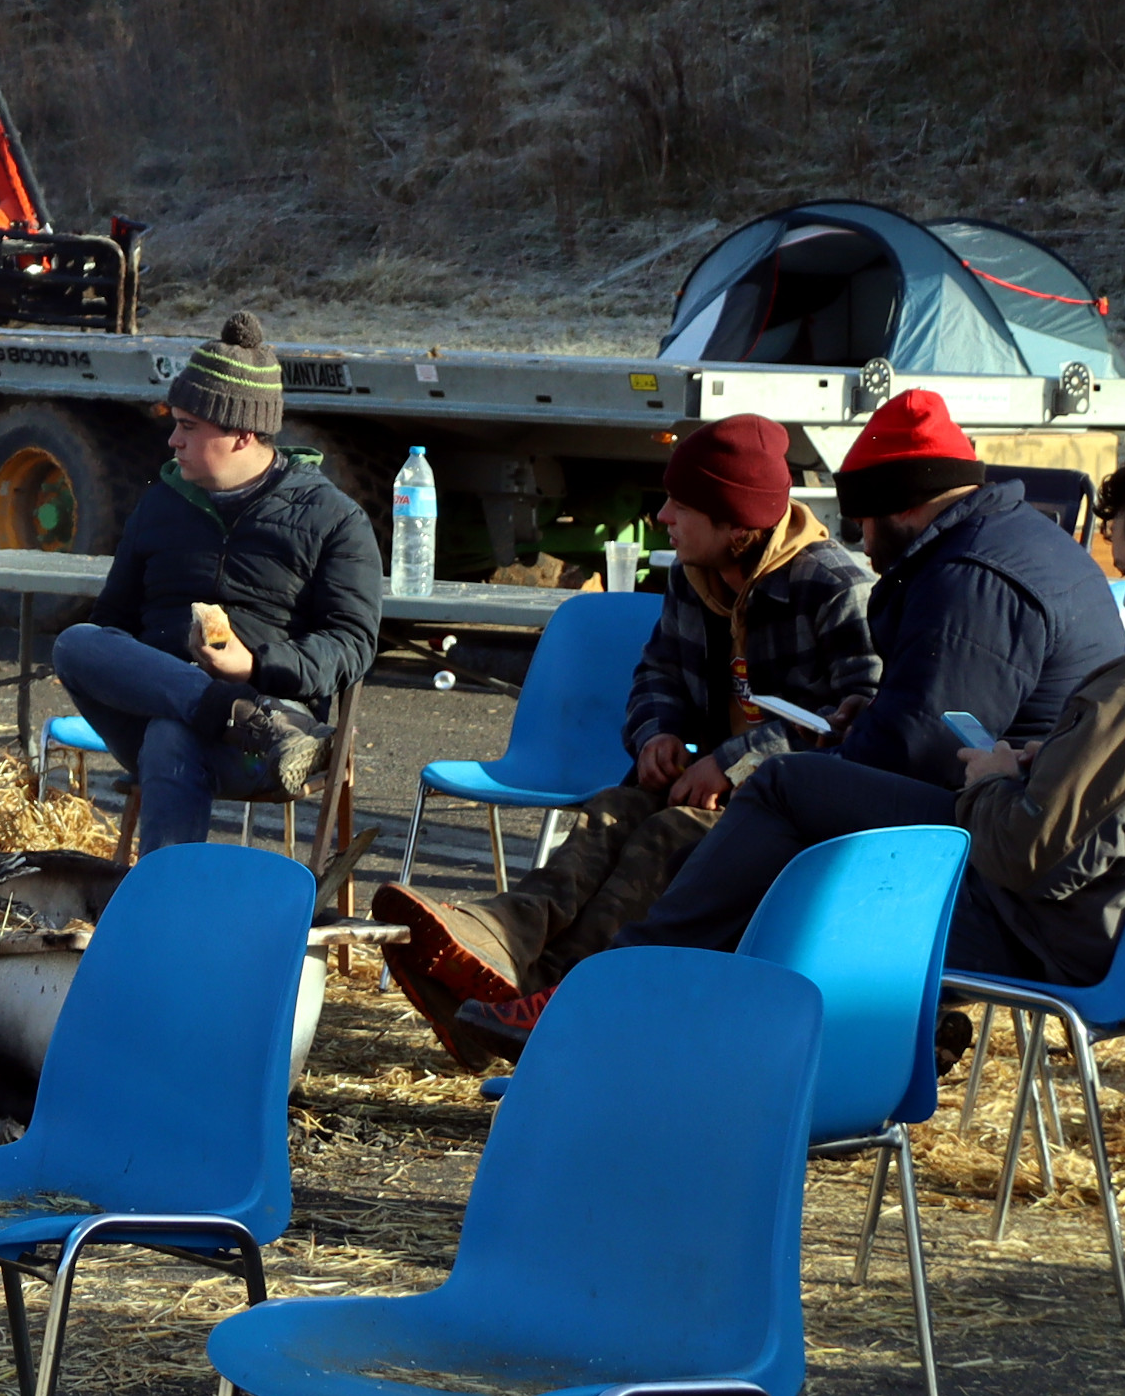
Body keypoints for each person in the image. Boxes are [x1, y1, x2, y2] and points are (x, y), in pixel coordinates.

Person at [612, 435, 1125, 986]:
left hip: (1048, 935)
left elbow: (1022, 854)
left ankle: (631, 980)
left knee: (790, 794)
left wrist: (989, 777)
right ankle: (687, 987)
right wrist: (1045, 762)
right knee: (801, 813)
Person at [375, 414, 878, 1060]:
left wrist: (735, 763)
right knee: (610, 812)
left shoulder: (835, 588)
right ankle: (499, 943)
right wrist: (657, 733)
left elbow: (857, 721)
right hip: (701, 786)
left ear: (737, 524)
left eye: (681, 506)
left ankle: (565, 994)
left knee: (664, 837)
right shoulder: (694, 575)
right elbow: (657, 673)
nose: (663, 517)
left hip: (784, 811)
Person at [46, 314, 385, 855]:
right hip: (168, 713)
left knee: (171, 735)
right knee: (75, 643)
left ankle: (165, 898)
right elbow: (112, 621)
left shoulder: (332, 517)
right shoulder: (160, 504)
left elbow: (352, 644)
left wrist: (252, 667)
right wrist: (154, 676)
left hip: (273, 744)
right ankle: (232, 714)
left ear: (241, 434)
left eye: (188, 426)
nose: (172, 439)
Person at [821, 389, 1124, 788]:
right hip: (1044, 787)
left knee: (777, 782)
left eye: (863, 523)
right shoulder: (1015, 538)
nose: (866, 546)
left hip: (1019, 805)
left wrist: (824, 760)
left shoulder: (969, 581)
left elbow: (919, 752)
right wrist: (879, 715)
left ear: (903, 504)